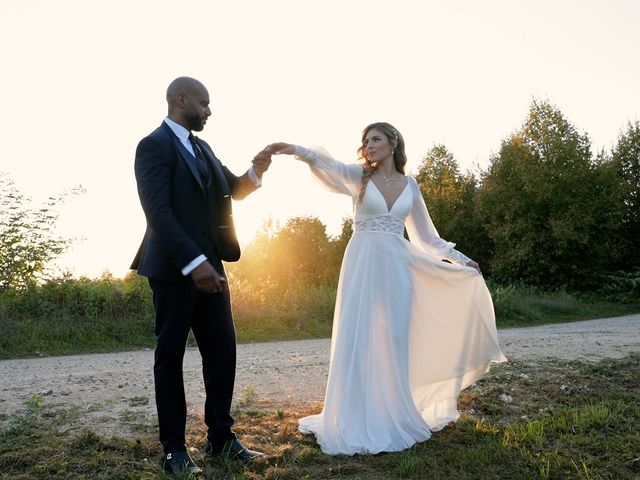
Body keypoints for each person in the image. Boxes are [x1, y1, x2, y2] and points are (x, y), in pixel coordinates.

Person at [269, 122, 507, 456]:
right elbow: (329, 166)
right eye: (365, 141)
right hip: (363, 265)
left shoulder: (410, 185)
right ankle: (355, 415)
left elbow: (426, 238)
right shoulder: (359, 178)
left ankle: (391, 410)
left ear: (393, 142)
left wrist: (461, 260)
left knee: (394, 337)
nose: (368, 145)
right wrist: (295, 150)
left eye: (375, 139)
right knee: (361, 335)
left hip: (396, 267)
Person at [131, 76, 271, 475]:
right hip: (175, 271)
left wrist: (256, 170)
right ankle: (173, 449)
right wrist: (194, 263)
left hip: (213, 268)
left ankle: (221, 439)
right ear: (182, 100)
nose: (209, 111)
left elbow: (234, 189)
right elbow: (158, 212)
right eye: (204, 103)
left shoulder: (202, 147)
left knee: (223, 350)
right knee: (170, 356)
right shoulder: (153, 146)